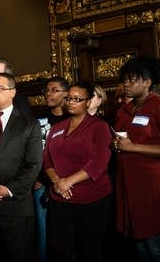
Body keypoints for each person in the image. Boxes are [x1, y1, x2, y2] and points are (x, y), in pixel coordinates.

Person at [113, 55, 160, 261]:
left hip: (154, 182)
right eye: (125, 79)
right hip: (129, 182)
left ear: (148, 82)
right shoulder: (124, 111)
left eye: (132, 80)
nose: (126, 84)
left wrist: (133, 147)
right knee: (139, 246)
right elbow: (121, 139)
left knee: (155, 244)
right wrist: (117, 145)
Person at [43, 81, 112, 262]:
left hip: (91, 198)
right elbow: (46, 159)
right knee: (58, 248)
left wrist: (69, 181)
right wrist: (58, 182)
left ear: (88, 102)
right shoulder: (57, 128)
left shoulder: (99, 127)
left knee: (89, 250)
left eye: (77, 99)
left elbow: (99, 162)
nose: (71, 102)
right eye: (69, 98)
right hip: (59, 196)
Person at [0, 72, 42, 262]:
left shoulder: (29, 124)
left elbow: (33, 164)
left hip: (16, 207)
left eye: (0, 88)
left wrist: (9, 190)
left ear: (13, 92)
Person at [33, 76, 69, 262]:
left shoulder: (73, 119)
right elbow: (32, 152)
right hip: (42, 185)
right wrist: (37, 178)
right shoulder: (37, 118)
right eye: (46, 90)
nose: (49, 94)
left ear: (66, 94)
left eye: (54, 90)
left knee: (67, 234)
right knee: (43, 233)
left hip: (69, 184)